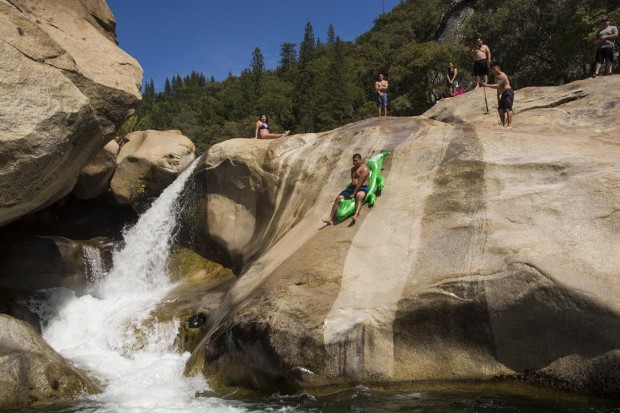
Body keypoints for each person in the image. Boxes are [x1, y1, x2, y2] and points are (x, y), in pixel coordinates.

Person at [322, 154, 370, 225]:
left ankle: (356, 215)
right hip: (352, 188)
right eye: (353, 161)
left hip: (362, 187)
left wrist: (354, 193)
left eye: (356, 161)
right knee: (338, 198)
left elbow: (360, 182)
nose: (354, 162)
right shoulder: (352, 169)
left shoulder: (364, 169)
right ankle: (330, 218)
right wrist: (349, 188)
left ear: (360, 160)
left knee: (359, 196)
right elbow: (353, 180)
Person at [483, 63, 514, 128]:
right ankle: (504, 124)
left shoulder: (502, 75)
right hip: (503, 94)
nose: (493, 70)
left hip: (508, 92)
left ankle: (510, 125)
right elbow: (498, 88)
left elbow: (497, 85)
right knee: (500, 109)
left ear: (498, 68)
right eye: (492, 69)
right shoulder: (496, 77)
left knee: (508, 108)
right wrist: (498, 96)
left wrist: (487, 85)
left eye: (494, 69)